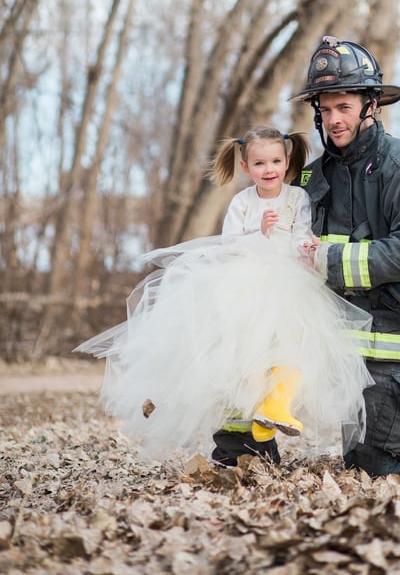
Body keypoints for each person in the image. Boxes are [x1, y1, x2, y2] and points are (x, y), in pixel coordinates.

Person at [75, 125, 372, 464]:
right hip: (245, 281)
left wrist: (306, 245)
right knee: (247, 351)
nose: (269, 169)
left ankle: (276, 406)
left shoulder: (296, 197)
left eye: (275, 161)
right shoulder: (242, 202)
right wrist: (260, 233)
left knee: (293, 343)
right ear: (246, 168)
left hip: (290, 281)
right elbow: (230, 244)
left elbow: (300, 233)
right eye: (260, 164)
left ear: (287, 162)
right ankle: (253, 420)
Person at [287, 35, 400, 477]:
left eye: (343, 107)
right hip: (341, 347)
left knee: (377, 468)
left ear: (371, 105)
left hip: (399, 341)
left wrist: (325, 260)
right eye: (325, 110)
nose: (333, 120)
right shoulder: (313, 176)